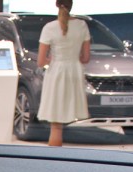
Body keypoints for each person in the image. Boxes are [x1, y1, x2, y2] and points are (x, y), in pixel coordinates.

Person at [36, 0, 91, 147]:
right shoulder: (82, 26)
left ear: (56, 5)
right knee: (65, 117)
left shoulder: (49, 28)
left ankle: (54, 159)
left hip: (57, 73)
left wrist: (52, 59)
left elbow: (40, 61)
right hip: (75, 72)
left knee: (56, 125)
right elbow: (86, 58)